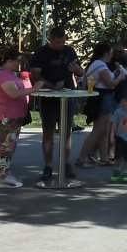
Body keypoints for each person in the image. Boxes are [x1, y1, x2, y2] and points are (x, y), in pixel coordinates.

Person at [29, 25, 84, 186]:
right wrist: (51, 86)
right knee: (48, 133)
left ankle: (66, 164)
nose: (61, 44)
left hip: (67, 95)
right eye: (58, 42)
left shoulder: (69, 51)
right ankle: (48, 166)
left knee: (67, 132)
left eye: (63, 41)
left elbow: (81, 72)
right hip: (48, 96)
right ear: (51, 39)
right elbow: (35, 75)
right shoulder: (41, 53)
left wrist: (78, 70)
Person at [77, 42, 126, 168]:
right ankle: (81, 158)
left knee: (104, 130)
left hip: (100, 97)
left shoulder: (95, 65)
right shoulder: (101, 66)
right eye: (111, 52)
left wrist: (115, 72)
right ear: (105, 53)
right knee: (98, 130)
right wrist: (120, 76)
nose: (112, 55)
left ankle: (104, 158)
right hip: (104, 98)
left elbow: (97, 82)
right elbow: (110, 83)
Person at [0, 49, 32, 188]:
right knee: (6, 147)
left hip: (14, 116)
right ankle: (3, 177)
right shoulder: (2, 74)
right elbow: (13, 93)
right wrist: (34, 89)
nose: (19, 64)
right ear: (9, 61)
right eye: (18, 61)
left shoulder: (9, 74)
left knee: (9, 146)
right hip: (7, 116)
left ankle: (6, 173)